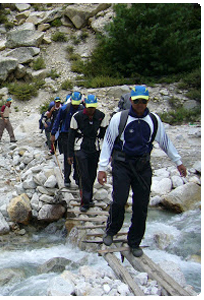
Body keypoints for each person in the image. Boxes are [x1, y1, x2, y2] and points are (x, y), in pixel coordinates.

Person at [98, 85, 187, 257]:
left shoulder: (154, 120)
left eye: (143, 101)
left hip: (143, 166)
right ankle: (111, 231)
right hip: (122, 164)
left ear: (147, 102)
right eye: (137, 100)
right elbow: (108, 143)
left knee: (141, 206)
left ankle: (134, 241)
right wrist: (102, 168)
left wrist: (178, 162)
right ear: (131, 100)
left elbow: (165, 142)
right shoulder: (119, 118)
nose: (140, 104)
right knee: (119, 200)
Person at [67, 95, 109, 212]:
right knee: (84, 174)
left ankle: (89, 197)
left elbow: (104, 134)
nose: (91, 110)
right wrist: (70, 154)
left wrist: (107, 153)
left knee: (92, 174)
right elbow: (71, 136)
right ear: (85, 105)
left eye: (93, 107)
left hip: (95, 148)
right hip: (80, 148)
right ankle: (85, 201)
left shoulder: (101, 116)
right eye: (89, 107)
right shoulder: (77, 117)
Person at [50, 92, 84, 187]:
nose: (76, 105)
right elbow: (57, 121)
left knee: (78, 156)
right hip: (66, 135)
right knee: (67, 157)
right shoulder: (64, 109)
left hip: (78, 136)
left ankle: (77, 177)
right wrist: (53, 134)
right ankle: (67, 178)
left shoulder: (82, 109)